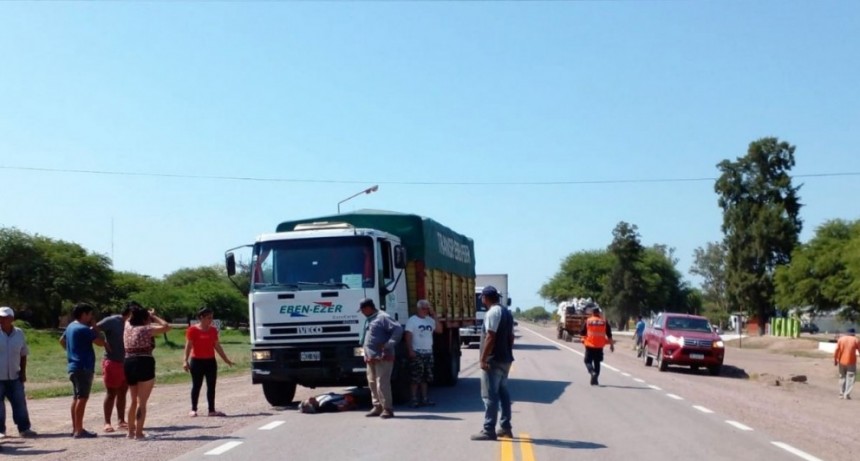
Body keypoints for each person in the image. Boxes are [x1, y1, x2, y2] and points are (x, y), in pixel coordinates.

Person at [471, 285, 515, 441]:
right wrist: (507, 351)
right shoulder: (507, 313)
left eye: (482, 297)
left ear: (485, 298)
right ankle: (505, 427)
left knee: (490, 395)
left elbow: (490, 336)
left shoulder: (492, 312)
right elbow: (511, 337)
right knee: (503, 393)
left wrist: (483, 358)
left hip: (494, 360)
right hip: (506, 359)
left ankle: (489, 429)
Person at [124, 304, 171, 440]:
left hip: (128, 362)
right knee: (142, 402)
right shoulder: (147, 329)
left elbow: (129, 318)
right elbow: (166, 326)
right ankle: (139, 433)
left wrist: (143, 314)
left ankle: (130, 432)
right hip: (144, 362)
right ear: (145, 318)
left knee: (133, 400)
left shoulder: (127, 327)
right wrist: (153, 316)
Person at [60, 303, 106, 439]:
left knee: (76, 397)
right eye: (90, 314)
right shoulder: (84, 328)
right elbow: (100, 342)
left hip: (73, 366)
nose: (91, 317)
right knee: (82, 398)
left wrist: (71, 352)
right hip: (83, 367)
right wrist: (95, 328)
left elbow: (61, 340)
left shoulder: (70, 327)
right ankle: (79, 430)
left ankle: (76, 428)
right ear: (84, 314)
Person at [183, 307, 234, 417]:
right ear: (201, 317)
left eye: (211, 318)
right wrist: (185, 361)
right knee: (197, 385)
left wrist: (226, 359)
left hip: (210, 361)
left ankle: (211, 410)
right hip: (197, 361)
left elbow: (217, 345)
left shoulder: (213, 330)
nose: (210, 320)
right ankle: (193, 409)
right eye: (208, 318)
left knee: (211, 386)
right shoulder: (192, 330)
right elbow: (188, 346)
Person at [358, 298, 403, 419]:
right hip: (370, 357)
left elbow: (398, 329)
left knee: (382, 384)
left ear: (368, 308)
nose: (362, 313)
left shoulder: (383, 317)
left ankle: (387, 409)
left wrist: (388, 344)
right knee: (372, 383)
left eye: (362, 310)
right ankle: (377, 406)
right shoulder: (369, 319)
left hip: (383, 356)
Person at [0, 306, 37, 439]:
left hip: (15, 375)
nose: (2, 320)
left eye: (5, 318)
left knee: (20, 403)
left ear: (11, 319)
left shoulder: (19, 333)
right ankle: (0, 431)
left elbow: (23, 354)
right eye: (0, 317)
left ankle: (24, 429)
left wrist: (23, 372)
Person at [95, 303, 132, 433]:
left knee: (123, 391)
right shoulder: (111, 321)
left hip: (127, 362)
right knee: (111, 393)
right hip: (112, 361)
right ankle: (107, 422)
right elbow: (93, 329)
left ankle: (121, 420)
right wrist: (103, 342)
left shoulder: (132, 323)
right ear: (129, 312)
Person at [404, 299, 440, 408]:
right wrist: (410, 350)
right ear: (419, 309)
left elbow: (439, 330)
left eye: (428, 308)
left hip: (428, 353)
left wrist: (435, 316)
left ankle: (425, 399)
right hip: (417, 352)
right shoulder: (412, 320)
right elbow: (408, 336)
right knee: (415, 378)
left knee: (426, 378)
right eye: (424, 308)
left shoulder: (430, 320)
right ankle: (414, 399)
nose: (426, 310)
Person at [580, 305, 614, 386]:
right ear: (599, 313)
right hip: (600, 346)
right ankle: (594, 380)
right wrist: (611, 345)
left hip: (589, 345)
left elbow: (582, 332)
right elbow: (609, 335)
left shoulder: (588, 321)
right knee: (597, 362)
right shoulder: (604, 322)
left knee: (587, 361)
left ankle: (592, 372)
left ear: (592, 313)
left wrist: (583, 340)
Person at [298, 387, 372, 414]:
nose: (310, 399)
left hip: (349, 396)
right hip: (353, 399)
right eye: (310, 402)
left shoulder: (318, 399)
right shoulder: (325, 406)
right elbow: (341, 408)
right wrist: (352, 406)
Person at [834, 327, 860, 400]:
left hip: (842, 361)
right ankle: (847, 394)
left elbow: (836, 350)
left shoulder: (841, 339)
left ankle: (841, 394)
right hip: (851, 362)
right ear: (853, 334)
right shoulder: (856, 340)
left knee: (842, 377)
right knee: (850, 378)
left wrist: (835, 359)